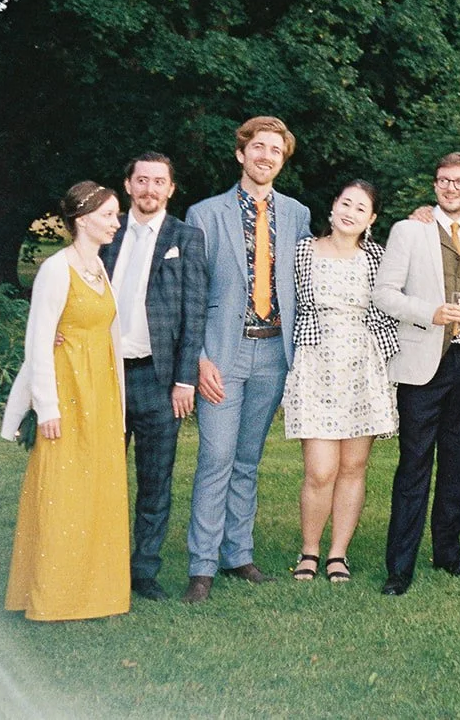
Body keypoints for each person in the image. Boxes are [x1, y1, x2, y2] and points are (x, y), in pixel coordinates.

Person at [180, 116, 312, 604]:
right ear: (241, 154)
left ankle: (239, 555)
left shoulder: (297, 214)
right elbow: (192, 295)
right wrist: (198, 357)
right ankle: (201, 566)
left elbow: (330, 257)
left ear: (282, 159)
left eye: (275, 150)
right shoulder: (205, 214)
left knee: (248, 461)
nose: (266, 156)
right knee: (215, 457)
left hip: (273, 353)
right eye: (258, 147)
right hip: (223, 354)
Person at [1, 181, 129, 621]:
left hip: (101, 391)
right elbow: (38, 340)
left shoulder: (97, 266)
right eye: (109, 215)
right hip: (68, 391)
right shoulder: (57, 269)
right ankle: (51, 595)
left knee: (98, 488)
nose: (116, 222)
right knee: (61, 489)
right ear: (82, 219)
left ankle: (95, 593)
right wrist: (47, 407)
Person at [372, 153, 460, 596]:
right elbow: (383, 294)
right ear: (435, 185)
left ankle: (448, 551)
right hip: (424, 362)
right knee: (414, 465)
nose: (450, 188)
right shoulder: (410, 230)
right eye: (443, 180)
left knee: (459, 463)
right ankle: (399, 567)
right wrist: (429, 312)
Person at [100, 153, 208, 602]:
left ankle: (143, 570)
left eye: (158, 182)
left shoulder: (186, 237)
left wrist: (186, 379)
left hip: (159, 379)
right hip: (103, 376)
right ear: (127, 185)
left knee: (155, 479)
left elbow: (195, 312)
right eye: (141, 180)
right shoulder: (104, 232)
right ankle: (99, 563)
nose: (149, 189)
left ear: (171, 189)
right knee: (101, 474)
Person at [284, 181, 400, 585]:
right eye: (345, 203)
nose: (350, 211)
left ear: (371, 219)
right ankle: (309, 550)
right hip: (317, 363)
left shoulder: (378, 258)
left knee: (353, 466)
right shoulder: (302, 251)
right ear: (333, 207)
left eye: (361, 207)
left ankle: (338, 554)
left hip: (363, 367)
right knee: (320, 470)